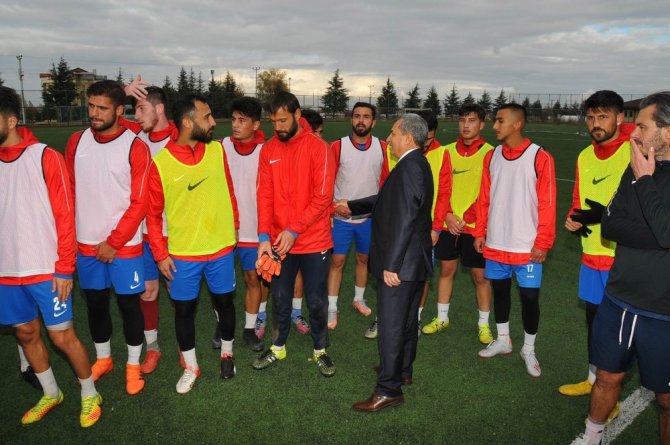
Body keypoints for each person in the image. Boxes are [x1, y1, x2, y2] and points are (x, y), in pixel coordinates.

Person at [0, 86, 102, 427]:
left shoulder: (44, 157)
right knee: (26, 334)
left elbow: (65, 215)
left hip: (46, 268)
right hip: (7, 271)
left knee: (62, 337)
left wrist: (64, 268)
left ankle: (90, 394)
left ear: (11, 120)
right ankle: (51, 392)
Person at [575, 92, 670, 445]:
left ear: (667, 131)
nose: (635, 134)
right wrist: (655, 232)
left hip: (663, 312)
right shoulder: (636, 169)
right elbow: (611, 225)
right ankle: (591, 436)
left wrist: (645, 183)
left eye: (642, 127)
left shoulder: (641, 174)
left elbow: (666, 233)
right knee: (606, 377)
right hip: (619, 300)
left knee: (666, 399)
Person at [147, 94, 239, 393]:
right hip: (183, 254)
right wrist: (160, 256)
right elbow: (152, 214)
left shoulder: (217, 151)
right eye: (207, 116)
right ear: (188, 122)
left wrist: (233, 226)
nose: (213, 122)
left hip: (222, 248)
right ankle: (191, 366)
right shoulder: (161, 163)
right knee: (184, 311)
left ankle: (227, 353)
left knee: (225, 304)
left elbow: (228, 188)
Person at [65, 80, 151, 395]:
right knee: (96, 306)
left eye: (102, 108)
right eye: (91, 106)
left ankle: (131, 365)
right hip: (86, 245)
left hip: (123, 247)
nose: (95, 113)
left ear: (118, 110)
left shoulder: (135, 146)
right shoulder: (76, 142)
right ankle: (104, 359)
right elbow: (70, 192)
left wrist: (115, 241)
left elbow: (140, 202)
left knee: (130, 306)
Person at [343, 113, 433, 412]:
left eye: (393, 132)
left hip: (401, 264)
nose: (389, 138)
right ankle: (401, 370)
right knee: (406, 321)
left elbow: (405, 218)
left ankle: (387, 389)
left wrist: (391, 265)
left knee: (392, 326)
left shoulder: (409, 166)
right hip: (412, 262)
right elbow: (387, 200)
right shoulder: (414, 164)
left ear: (408, 136)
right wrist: (351, 206)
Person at [559, 91, 633, 421]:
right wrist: (573, 219)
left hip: (625, 259)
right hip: (591, 256)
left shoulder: (637, 151)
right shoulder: (585, 155)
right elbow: (579, 199)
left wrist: (608, 216)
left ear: (619, 118)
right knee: (595, 324)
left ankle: (611, 392)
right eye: (590, 117)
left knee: (623, 333)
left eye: (602, 117)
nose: (595, 124)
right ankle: (593, 381)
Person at [252, 91, 336, 377]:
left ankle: (320, 349)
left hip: (314, 241)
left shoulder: (320, 148)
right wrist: (264, 236)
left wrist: (294, 230)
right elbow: (263, 195)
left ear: (298, 115)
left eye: (283, 120)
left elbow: (323, 197)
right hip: (278, 241)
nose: (278, 127)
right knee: (279, 298)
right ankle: (278, 347)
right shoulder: (268, 149)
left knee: (315, 299)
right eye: (274, 121)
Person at [473, 103, 556, 378]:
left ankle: (528, 348)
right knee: (500, 293)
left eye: (500, 121)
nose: (494, 126)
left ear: (517, 124)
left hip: (526, 246)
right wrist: (480, 232)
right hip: (496, 242)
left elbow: (548, 203)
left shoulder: (539, 157)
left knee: (530, 298)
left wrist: (543, 242)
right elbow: (484, 198)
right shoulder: (492, 156)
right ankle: (504, 339)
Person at [421, 104, 494, 345]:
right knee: (446, 270)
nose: (465, 125)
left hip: (475, 227)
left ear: (481, 124)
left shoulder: (491, 153)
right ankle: (442, 317)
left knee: (480, 276)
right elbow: (442, 188)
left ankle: (483, 324)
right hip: (447, 223)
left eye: (472, 120)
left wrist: (469, 217)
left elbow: (490, 191)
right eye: (462, 120)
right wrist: (449, 215)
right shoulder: (446, 152)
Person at [121, 83, 179, 374]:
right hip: (144, 232)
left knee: (180, 293)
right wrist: (124, 92)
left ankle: (186, 348)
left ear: (159, 109)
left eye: (141, 109)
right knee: (148, 292)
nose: (136, 115)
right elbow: (107, 118)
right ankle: (153, 348)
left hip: (177, 233)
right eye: (134, 109)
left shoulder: (181, 139)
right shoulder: (135, 137)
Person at [328, 102, 387, 330]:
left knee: (364, 259)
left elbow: (384, 182)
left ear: (373, 121)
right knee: (337, 262)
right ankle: (332, 307)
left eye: (366, 116)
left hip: (368, 219)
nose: (361, 120)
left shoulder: (382, 147)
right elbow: (327, 182)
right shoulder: (338, 147)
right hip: (341, 218)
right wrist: (333, 207)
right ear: (351, 119)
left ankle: (358, 299)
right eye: (357, 116)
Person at [221, 96, 266, 352]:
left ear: (256, 124)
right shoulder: (220, 146)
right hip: (223, 231)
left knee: (252, 279)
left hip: (253, 229)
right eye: (234, 120)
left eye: (242, 120)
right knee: (222, 285)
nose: (235, 125)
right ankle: (221, 326)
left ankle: (250, 329)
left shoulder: (266, 151)